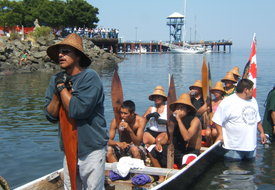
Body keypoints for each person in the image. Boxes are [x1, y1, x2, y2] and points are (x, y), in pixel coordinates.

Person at [44, 33, 108, 190]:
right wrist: (59, 92)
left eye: (66, 51)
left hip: (91, 148)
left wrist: (61, 88)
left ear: (78, 56)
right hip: (69, 147)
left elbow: (78, 110)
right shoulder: (56, 79)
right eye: (59, 52)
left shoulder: (90, 77)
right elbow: (50, 115)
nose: (60, 55)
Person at [212, 79, 267, 161]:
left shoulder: (253, 101)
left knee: (250, 171)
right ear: (246, 90)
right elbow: (217, 120)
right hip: (234, 148)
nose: (254, 91)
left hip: (251, 147)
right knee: (234, 171)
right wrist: (221, 134)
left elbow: (257, 120)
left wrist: (262, 132)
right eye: (252, 89)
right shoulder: (228, 102)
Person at [149, 93, 201, 171]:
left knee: (187, 160)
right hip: (178, 149)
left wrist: (179, 119)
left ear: (188, 109)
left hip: (190, 151)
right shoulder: (173, 119)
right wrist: (159, 143)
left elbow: (187, 137)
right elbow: (169, 136)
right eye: (178, 107)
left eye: (182, 108)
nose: (179, 110)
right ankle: (161, 176)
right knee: (151, 150)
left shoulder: (195, 120)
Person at [143, 86, 168, 152]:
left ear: (163, 98)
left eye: (158, 97)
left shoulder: (168, 108)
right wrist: (150, 115)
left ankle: (154, 146)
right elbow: (142, 120)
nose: (156, 98)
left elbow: (172, 123)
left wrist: (160, 121)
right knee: (144, 139)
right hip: (151, 131)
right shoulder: (151, 108)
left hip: (163, 132)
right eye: (155, 97)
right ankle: (152, 146)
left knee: (158, 140)